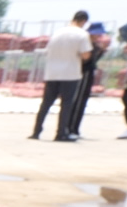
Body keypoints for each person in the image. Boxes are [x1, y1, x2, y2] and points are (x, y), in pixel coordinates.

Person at [32, 11, 92, 141]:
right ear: (84, 21)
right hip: (70, 74)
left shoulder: (58, 32)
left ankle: (36, 131)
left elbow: (48, 51)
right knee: (66, 104)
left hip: (52, 73)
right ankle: (61, 133)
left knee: (46, 103)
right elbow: (86, 55)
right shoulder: (82, 34)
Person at [67, 20, 109, 139]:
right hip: (82, 74)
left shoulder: (94, 46)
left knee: (82, 102)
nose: (98, 36)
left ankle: (75, 128)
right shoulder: (85, 43)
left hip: (88, 74)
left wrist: (101, 51)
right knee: (78, 101)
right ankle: (70, 128)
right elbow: (86, 61)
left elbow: (94, 61)